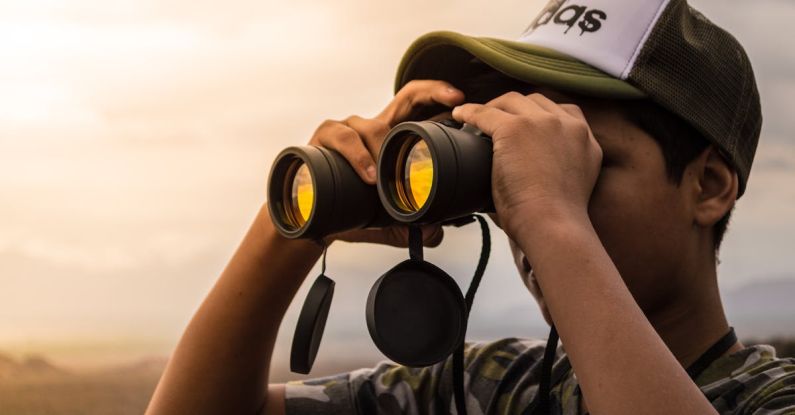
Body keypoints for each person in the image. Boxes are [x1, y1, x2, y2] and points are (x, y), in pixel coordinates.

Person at [145, 0, 795, 414]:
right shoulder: (496, 386)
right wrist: (295, 222)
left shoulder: (770, 400)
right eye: (509, 153)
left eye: (577, 154)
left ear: (707, 185)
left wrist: (550, 215)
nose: (520, 198)